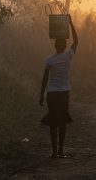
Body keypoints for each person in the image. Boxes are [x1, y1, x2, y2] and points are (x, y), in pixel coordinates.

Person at [39, 15, 78, 159]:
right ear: (64, 46)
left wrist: (41, 95)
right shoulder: (68, 56)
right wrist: (71, 23)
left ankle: (54, 151)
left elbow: (44, 79)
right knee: (62, 121)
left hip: (52, 94)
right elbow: (76, 41)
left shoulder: (49, 59)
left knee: (53, 122)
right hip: (63, 94)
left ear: (55, 46)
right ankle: (61, 151)